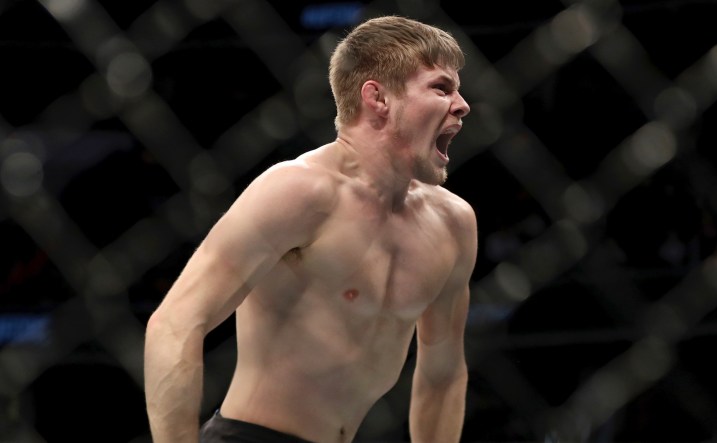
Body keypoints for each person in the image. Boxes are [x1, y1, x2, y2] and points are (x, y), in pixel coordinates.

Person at [144, 14, 477, 443]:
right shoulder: (299, 191)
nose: (462, 105)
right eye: (441, 88)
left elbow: (442, 374)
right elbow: (175, 324)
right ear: (378, 97)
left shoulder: (453, 223)